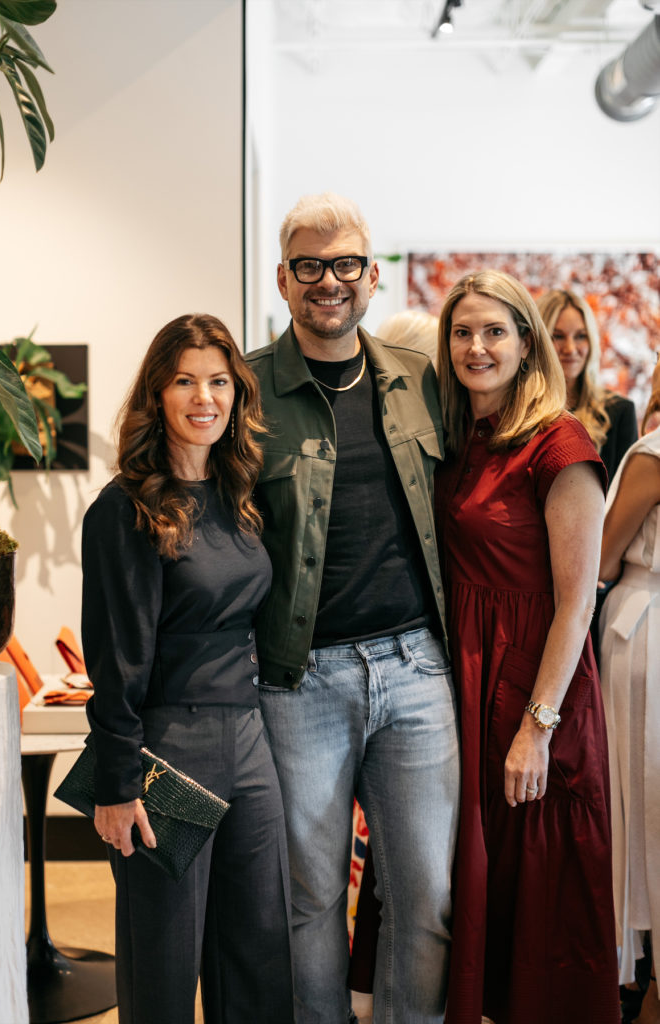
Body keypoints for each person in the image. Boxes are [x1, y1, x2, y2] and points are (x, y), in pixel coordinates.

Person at [246, 192, 460, 1024]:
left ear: (371, 277)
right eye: (308, 266)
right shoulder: (250, 390)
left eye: (343, 266)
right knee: (309, 897)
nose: (326, 282)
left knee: (426, 894)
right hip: (300, 682)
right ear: (284, 278)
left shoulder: (420, 381)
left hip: (415, 669)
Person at [81, 314, 294, 1024]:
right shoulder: (126, 509)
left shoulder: (239, 497)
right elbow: (116, 654)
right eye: (183, 381)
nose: (203, 397)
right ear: (157, 394)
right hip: (168, 748)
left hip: (248, 740)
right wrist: (116, 780)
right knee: (164, 959)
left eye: (218, 381)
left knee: (258, 950)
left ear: (236, 394)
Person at [435, 270, 619, 1024]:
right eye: (462, 332)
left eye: (494, 331)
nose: (476, 347)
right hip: (468, 681)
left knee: (543, 894)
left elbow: (576, 600)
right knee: (485, 886)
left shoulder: (559, 442)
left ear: (525, 342)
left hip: (532, 687)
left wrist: (536, 728)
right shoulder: (461, 434)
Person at [599, 359, 660, 1024]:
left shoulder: (651, 452)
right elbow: (604, 558)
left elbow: (605, 557)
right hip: (648, 637)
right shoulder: (651, 452)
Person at [536, 288, 638, 482]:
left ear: (591, 341)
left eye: (580, 336)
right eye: (557, 336)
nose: (570, 348)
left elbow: (626, 500)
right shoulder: (517, 413)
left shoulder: (620, 412)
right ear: (538, 341)